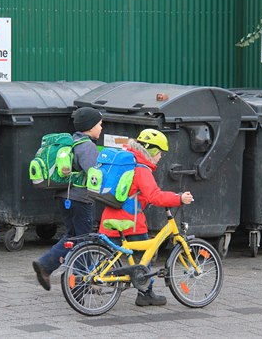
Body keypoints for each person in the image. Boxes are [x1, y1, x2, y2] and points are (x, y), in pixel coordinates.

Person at [98, 128, 194, 306]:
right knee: (146, 258)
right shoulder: (141, 168)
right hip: (130, 221)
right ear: (152, 151)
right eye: (160, 154)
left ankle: (84, 282)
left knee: (110, 255)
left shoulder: (126, 157)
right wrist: (178, 198)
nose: (160, 158)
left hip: (109, 216)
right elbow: (154, 196)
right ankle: (146, 294)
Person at [33, 107, 103, 291]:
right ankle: (81, 282)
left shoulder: (71, 142)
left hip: (65, 197)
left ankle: (45, 265)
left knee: (72, 236)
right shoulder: (87, 146)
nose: (101, 128)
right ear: (89, 127)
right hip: (81, 199)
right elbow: (94, 174)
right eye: (99, 125)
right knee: (85, 241)